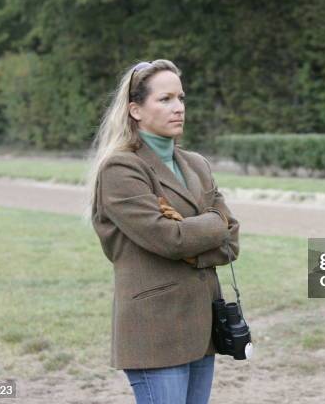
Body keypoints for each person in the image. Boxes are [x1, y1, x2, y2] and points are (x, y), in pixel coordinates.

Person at [84, 59, 240, 404]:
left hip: (202, 325)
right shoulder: (121, 168)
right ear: (135, 110)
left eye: (181, 98)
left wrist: (191, 233)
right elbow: (169, 240)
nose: (179, 108)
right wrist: (213, 224)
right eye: (165, 99)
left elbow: (231, 242)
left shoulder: (197, 164)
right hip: (154, 330)